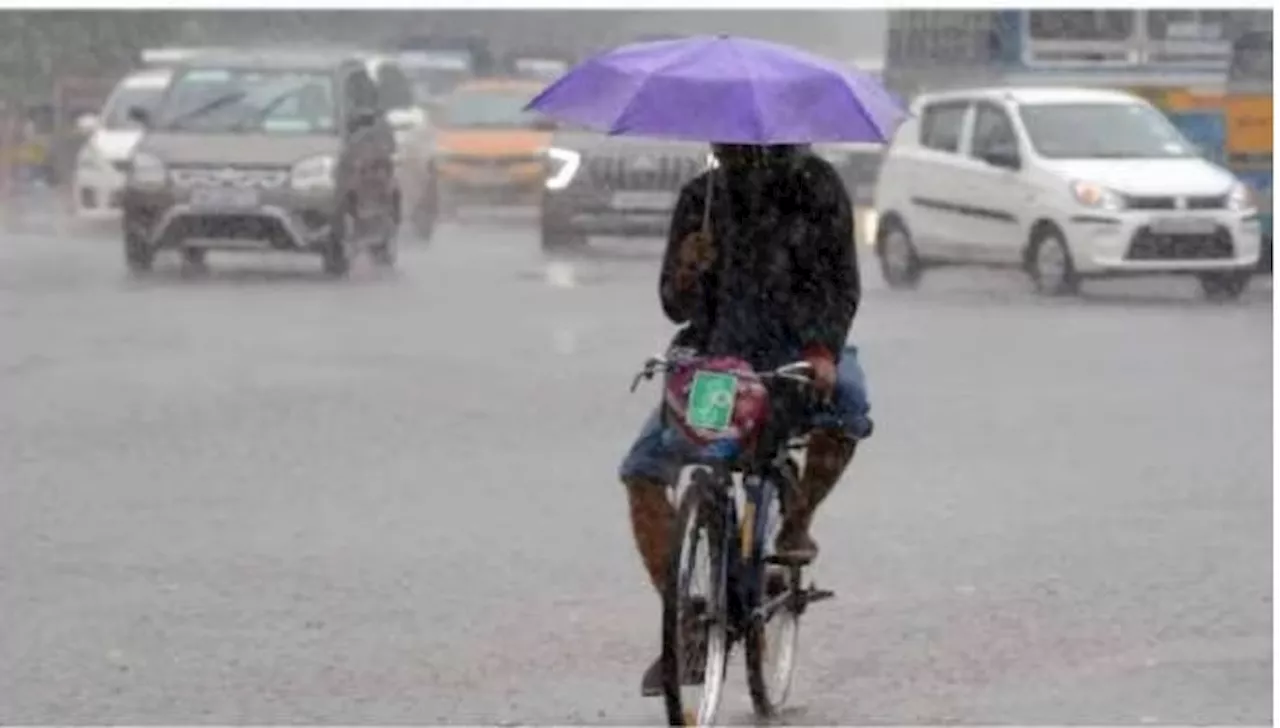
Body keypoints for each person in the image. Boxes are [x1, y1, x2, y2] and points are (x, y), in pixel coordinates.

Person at [618, 142, 874, 696]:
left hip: (798, 356)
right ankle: (685, 618)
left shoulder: (817, 186)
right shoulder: (700, 199)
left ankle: (797, 520)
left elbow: (842, 286)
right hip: (716, 365)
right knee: (643, 472)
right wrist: (687, 271)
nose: (725, 144)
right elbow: (674, 304)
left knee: (848, 410)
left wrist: (824, 350)